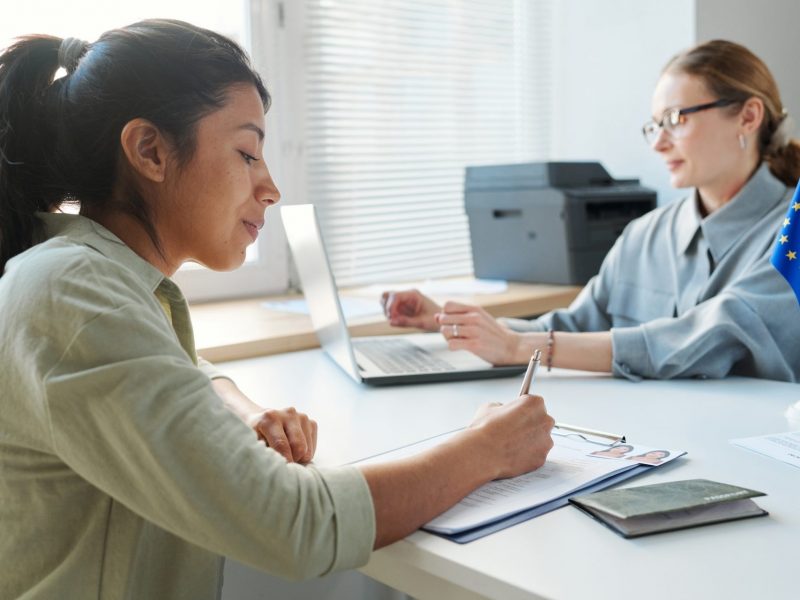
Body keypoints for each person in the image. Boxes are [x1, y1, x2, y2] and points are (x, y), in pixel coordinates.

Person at [0, 21, 555, 599]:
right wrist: (488, 449)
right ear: (151, 150)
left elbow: (174, 368)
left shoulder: (86, 276)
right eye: (246, 153)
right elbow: (298, 526)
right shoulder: (73, 292)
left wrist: (240, 408)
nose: (270, 187)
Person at [382, 39, 800, 382]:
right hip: (641, 442)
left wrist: (520, 349)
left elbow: (706, 337)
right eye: (655, 125)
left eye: (676, 119)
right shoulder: (644, 235)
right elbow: (574, 325)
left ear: (748, 116)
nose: (658, 143)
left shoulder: (790, 236)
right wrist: (448, 322)